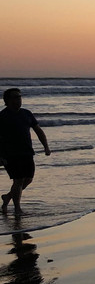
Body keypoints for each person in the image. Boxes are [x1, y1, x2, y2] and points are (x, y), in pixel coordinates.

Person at [0, 88, 50, 216]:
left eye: (19, 97)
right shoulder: (3, 116)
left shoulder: (26, 113)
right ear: (7, 100)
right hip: (10, 154)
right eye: (15, 97)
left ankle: (7, 197)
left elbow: (38, 130)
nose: (18, 99)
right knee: (18, 180)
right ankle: (17, 209)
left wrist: (46, 146)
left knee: (28, 179)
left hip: (27, 152)